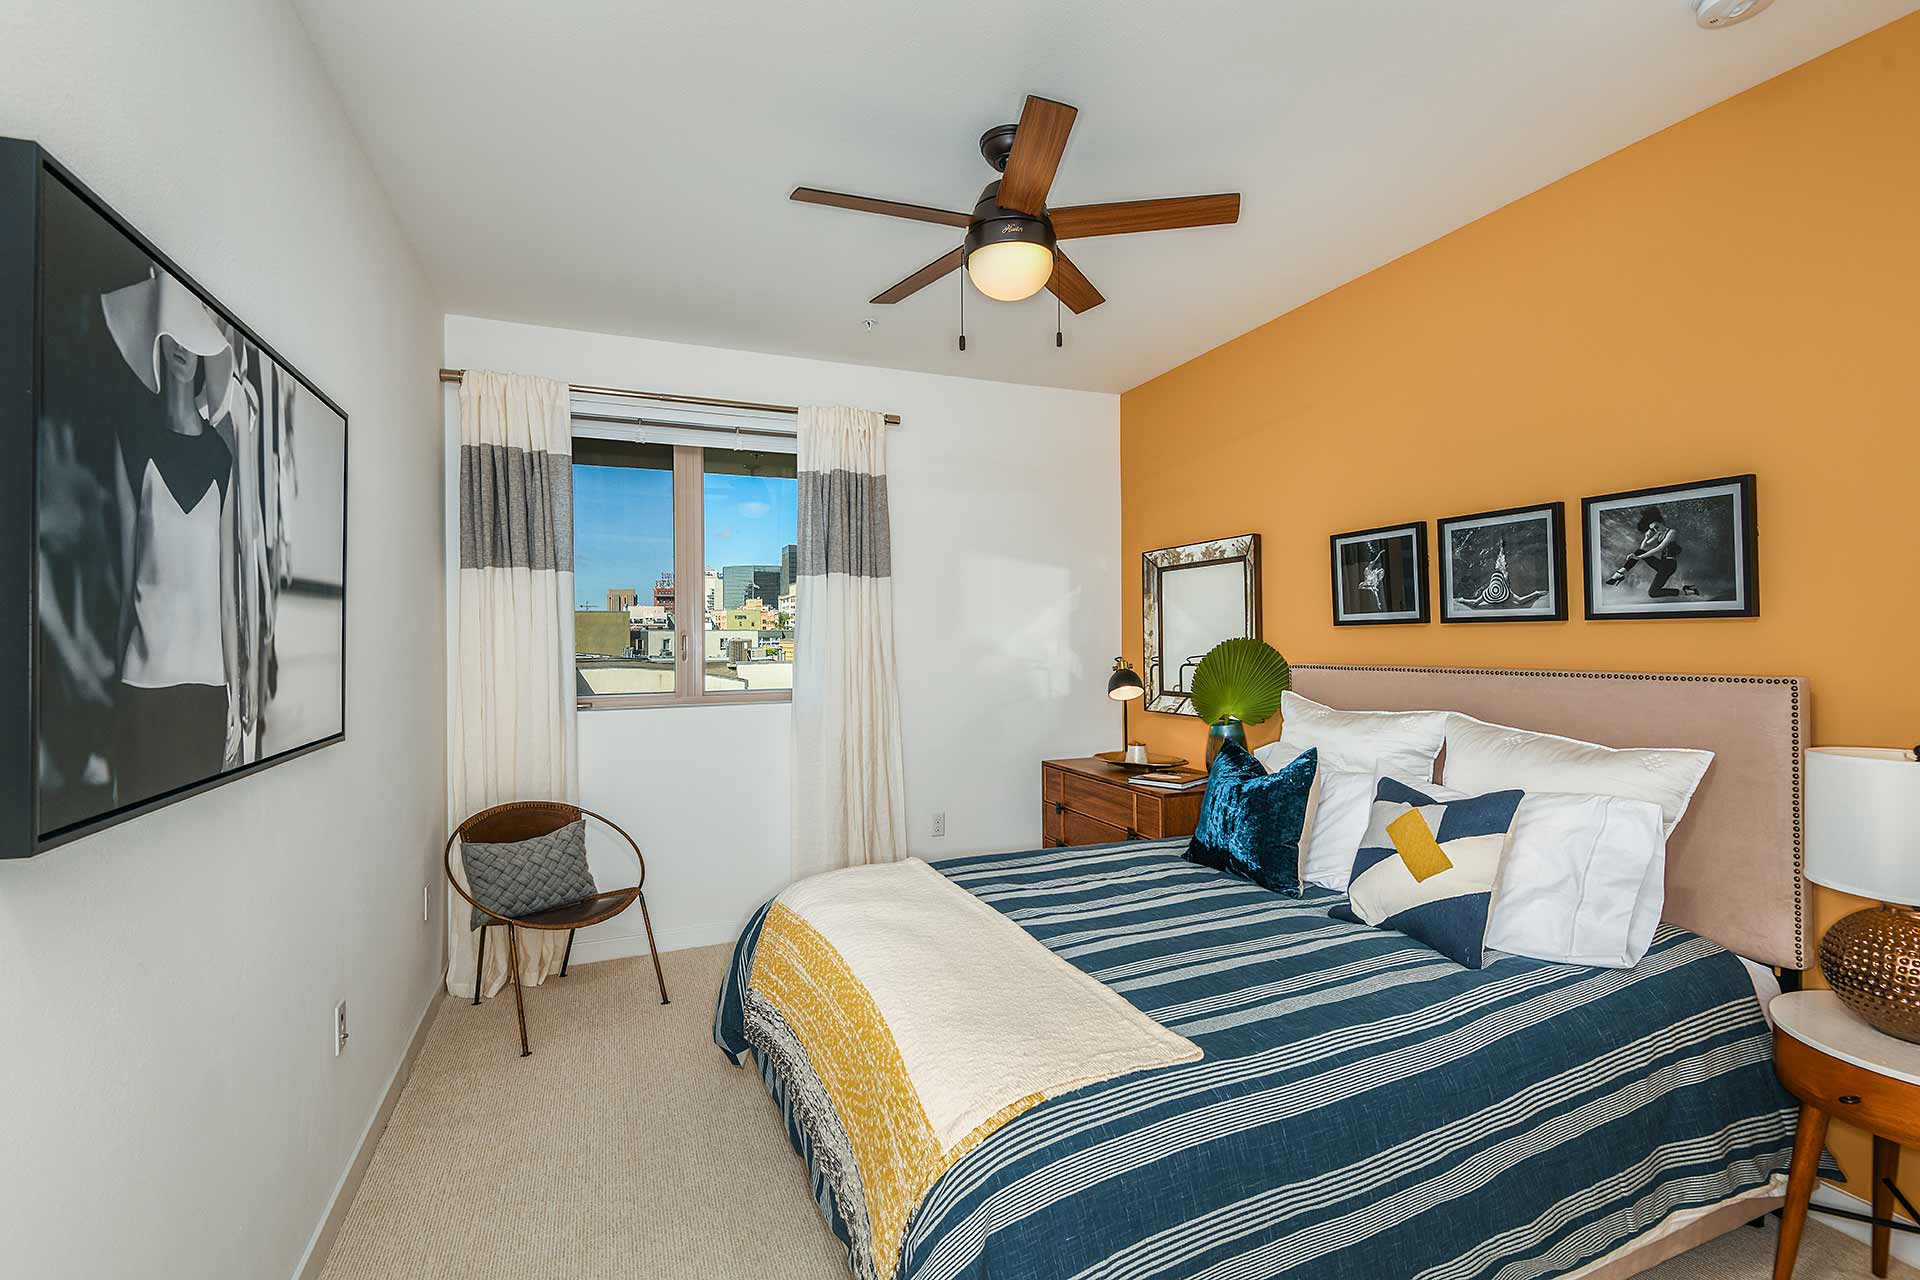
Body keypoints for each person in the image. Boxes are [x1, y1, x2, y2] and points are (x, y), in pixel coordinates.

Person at [101, 270, 246, 807]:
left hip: (206, 691)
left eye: (192, 337)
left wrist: (234, 692)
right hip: (142, 689)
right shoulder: (132, 445)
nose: (182, 349)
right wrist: (116, 695)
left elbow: (227, 595)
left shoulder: (222, 459)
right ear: (157, 341)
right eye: (173, 334)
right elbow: (125, 583)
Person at [1604, 508, 1701, 600]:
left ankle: (1689, 592)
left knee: (1653, 593)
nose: (1655, 530)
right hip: (1661, 564)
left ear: (1660, 521)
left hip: (1669, 565)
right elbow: (1642, 548)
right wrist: (1646, 538)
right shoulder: (1658, 534)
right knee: (1639, 552)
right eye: (1653, 529)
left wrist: (1638, 557)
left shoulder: (1671, 532)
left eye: (1656, 527)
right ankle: (1620, 573)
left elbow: (1659, 548)